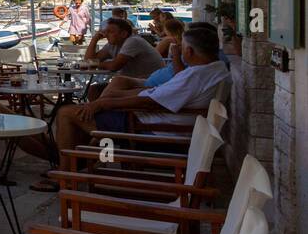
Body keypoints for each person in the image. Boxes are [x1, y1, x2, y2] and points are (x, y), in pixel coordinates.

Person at [29, 26, 230, 191]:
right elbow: (155, 95)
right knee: (97, 100)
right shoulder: (216, 68)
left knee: (66, 113)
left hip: (150, 130)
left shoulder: (194, 76)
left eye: (182, 47)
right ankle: (81, 160)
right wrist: (108, 100)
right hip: (162, 123)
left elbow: (149, 102)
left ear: (189, 51)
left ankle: (66, 178)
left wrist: (103, 103)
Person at [83, 17, 163, 80]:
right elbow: (88, 61)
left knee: (107, 89)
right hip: (133, 81)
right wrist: (94, 40)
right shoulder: (112, 44)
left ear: (123, 34)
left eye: (110, 32)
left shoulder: (133, 41)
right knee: (94, 90)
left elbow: (114, 66)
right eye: (106, 31)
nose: (106, 35)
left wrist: (96, 64)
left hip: (150, 83)